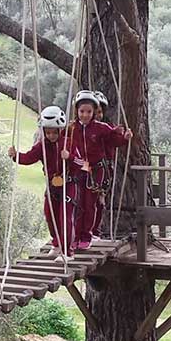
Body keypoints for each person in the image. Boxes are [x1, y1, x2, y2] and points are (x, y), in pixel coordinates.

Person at [65, 90, 132, 249]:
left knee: (90, 204)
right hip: (78, 170)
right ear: (77, 111)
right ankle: (76, 235)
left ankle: (87, 235)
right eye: (82, 111)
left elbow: (114, 140)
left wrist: (124, 138)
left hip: (96, 172)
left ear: (94, 112)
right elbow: (58, 138)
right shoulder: (72, 128)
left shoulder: (101, 128)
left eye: (89, 111)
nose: (85, 115)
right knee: (77, 203)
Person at [8, 105, 77, 260]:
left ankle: (68, 252)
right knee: (50, 215)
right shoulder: (42, 146)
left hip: (69, 184)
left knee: (65, 217)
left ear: (60, 130)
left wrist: (69, 157)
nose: (51, 135)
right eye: (48, 132)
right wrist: (15, 156)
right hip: (53, 186)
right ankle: (57, 244)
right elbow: (28, 158)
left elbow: (81, 163)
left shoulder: (69, 143)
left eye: (54, 132)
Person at [92, 90, 116, 239]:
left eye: (100, 112)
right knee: (87, 202)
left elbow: (116, 140)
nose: (98, 116)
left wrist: (123, 135)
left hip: (105, 169)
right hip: (89, 168)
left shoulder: (107, 129)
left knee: (99, 201)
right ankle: (87, 231)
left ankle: (95, 231)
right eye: (95, 112)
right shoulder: (81, 130)